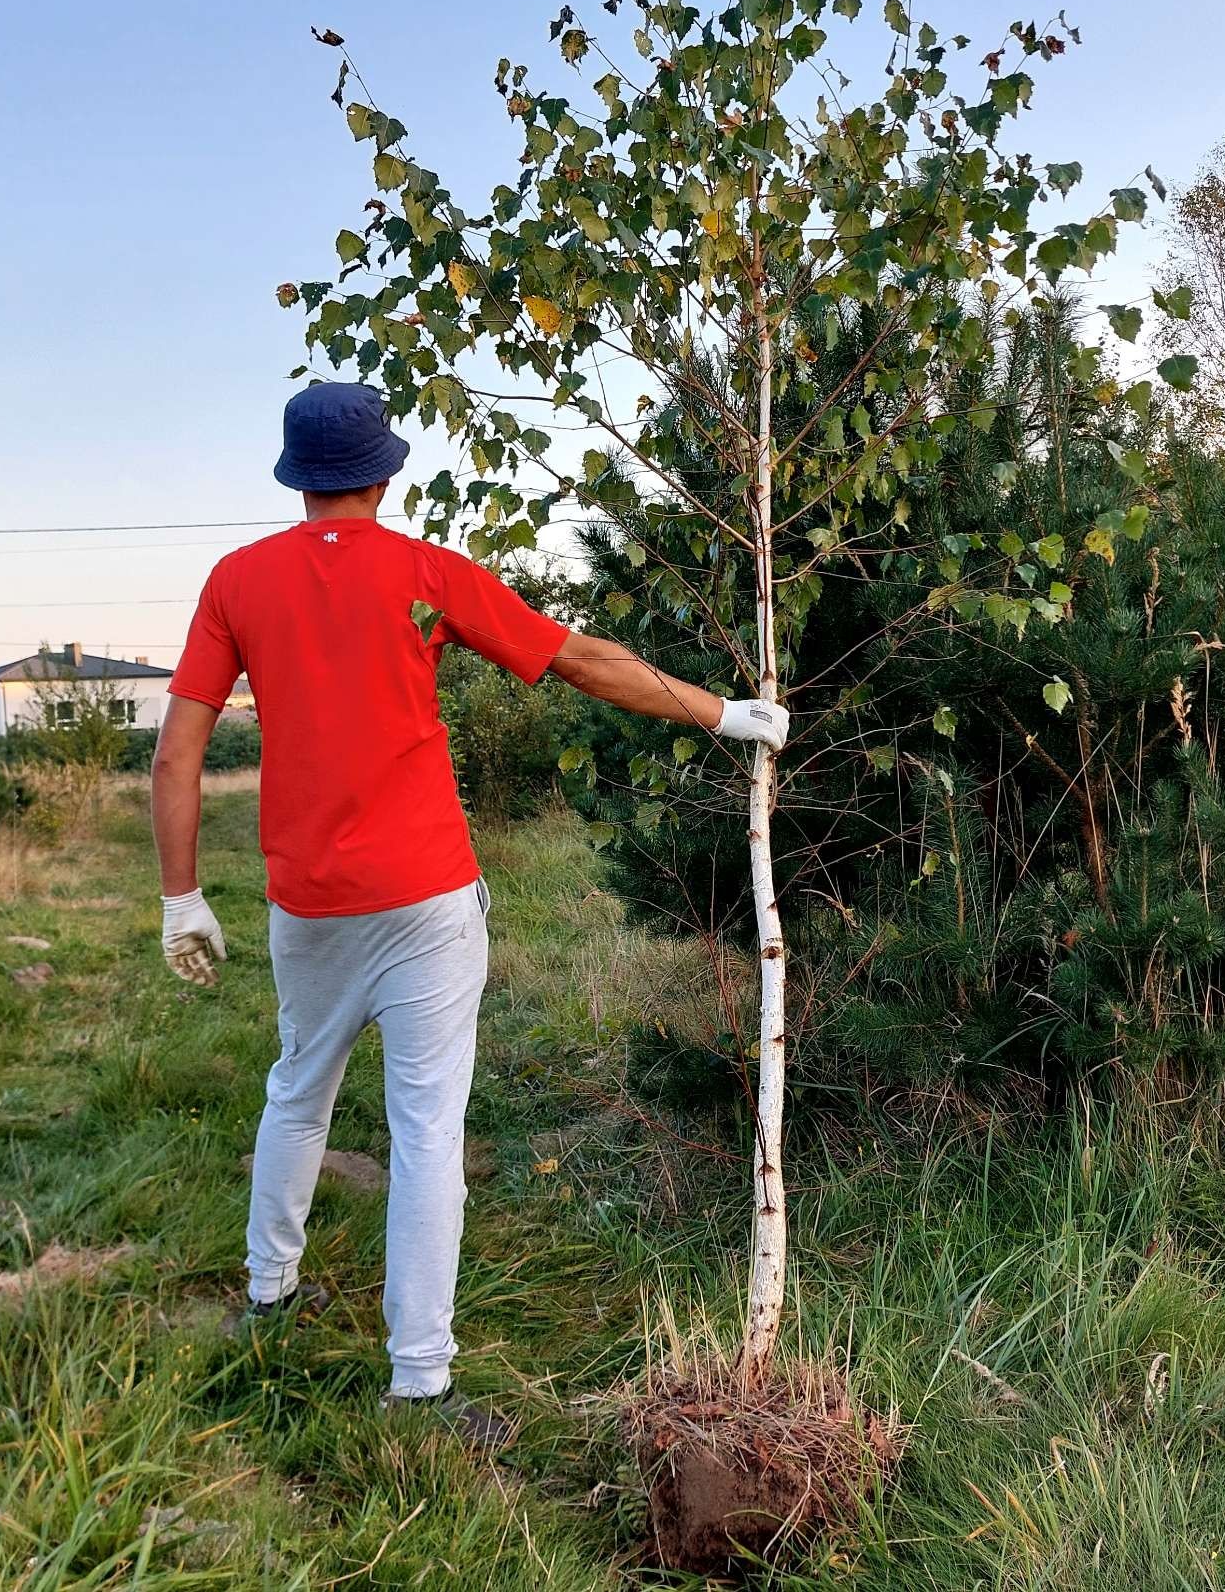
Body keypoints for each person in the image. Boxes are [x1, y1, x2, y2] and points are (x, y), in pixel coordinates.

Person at [149, 381, 786, 1442]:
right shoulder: (426, 575)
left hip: (305, 904)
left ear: (297, 478)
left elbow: (177, 748)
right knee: (426, 1131)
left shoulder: (236, 582)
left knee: (297, 1090)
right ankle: (420, 1383)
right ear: (385, 473)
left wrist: (181, 898)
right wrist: (723, 713)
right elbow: (576, 659)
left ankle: (268, 1301)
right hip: (428, 899)